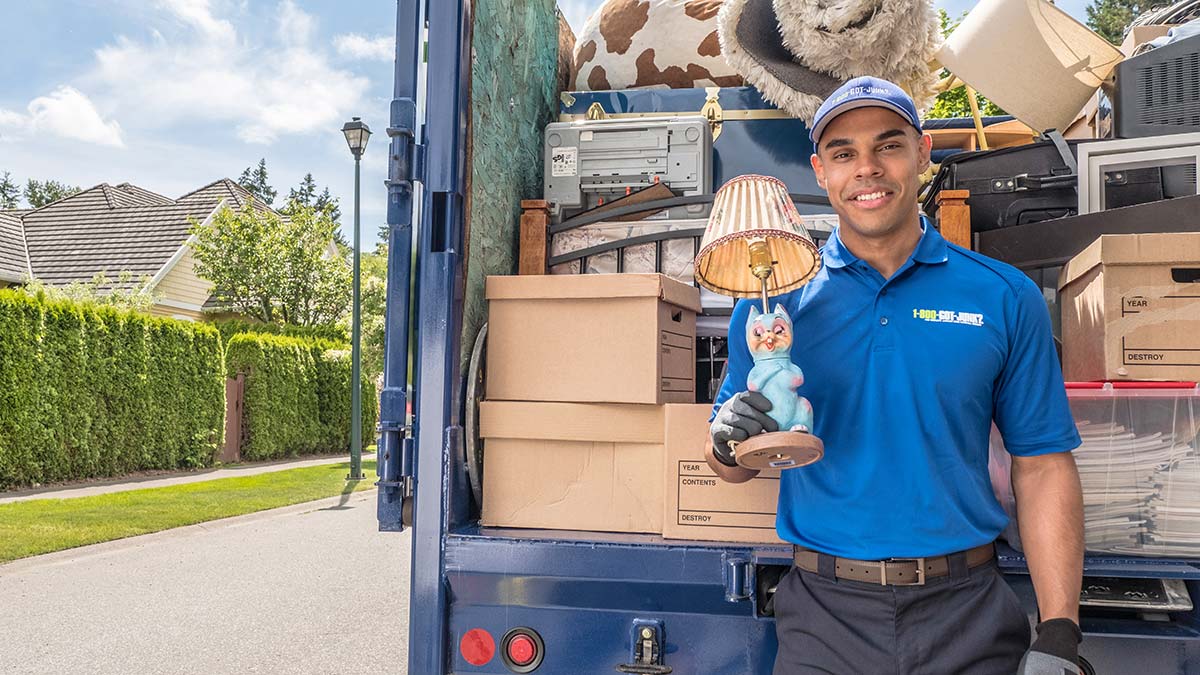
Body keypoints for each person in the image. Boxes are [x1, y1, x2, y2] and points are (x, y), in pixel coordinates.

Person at [706, 76, 1086, 675]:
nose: (867, 169)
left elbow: (1041, 464)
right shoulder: (773, 309)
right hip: (823, 618)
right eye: (843, 154)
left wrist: (1060, 630)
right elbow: (730, 466)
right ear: (820, 171)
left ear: (922, 153)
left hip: (969, 614)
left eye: (888, 146)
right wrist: (729, 438)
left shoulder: (1004, 296)